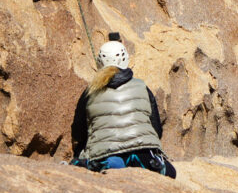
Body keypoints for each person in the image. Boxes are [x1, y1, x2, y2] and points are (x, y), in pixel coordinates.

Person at [71, 33, 175, 178]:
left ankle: (112, 164)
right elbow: (156, 129)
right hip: (143, 152)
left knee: (81, 161)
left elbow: (78, 132)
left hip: (105, 152)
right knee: (170, 172)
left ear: (100, 61)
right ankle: (145, 164)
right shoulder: (142, 86)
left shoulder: (90, 91)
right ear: (125, 59)